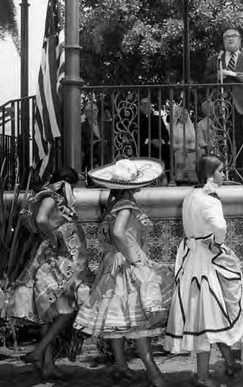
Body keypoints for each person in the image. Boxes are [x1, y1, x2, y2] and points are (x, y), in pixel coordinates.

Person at [73, 158, 171, 387]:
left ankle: (121, 367)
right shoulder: (125, 206)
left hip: (112, 265)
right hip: (126, 266)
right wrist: (133, 257)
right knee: (138, 322)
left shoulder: (113, 206)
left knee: (117, 320)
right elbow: (118, 233)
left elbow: (114, 234)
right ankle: (154, 375)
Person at [164, 154, 243, 387]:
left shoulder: (190, 196)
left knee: (213, 314)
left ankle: (229, 362)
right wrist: (217, 243)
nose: (224, 175)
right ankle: (202, 376)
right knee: (207, 317)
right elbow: (220, 227)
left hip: (191, 260)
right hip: (206, 262)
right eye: (221, 171)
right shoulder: (210, 201)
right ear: (211, 174)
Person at [6, 167, 93, 381]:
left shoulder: (53, 197)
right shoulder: (52, 196)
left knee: (50, 312)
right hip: (56, 262)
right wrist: (54, 239)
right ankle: (39, 352)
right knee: (68, 307)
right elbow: (42, 220)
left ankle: (47, 365)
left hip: (55, 260)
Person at [205, 28, 243, 179]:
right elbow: (205, 80)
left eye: (233, 36)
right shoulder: (216, 59)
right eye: (226, 37)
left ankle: (242, 174)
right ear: (223, 41)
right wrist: (216, 76)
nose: (230, 39)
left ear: (240, 39)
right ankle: (222, 174)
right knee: (223, 140)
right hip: (222, 105)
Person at [138, 97, 170, 171]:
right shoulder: (136, 120)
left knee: (168, 150)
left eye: (148, 104)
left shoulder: (157, 118)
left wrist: (161, 141)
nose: (147, 106)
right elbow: (137, 136)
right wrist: (150, 141)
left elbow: (165, 134)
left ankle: (168, 177)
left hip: (159, 145)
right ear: (139, 106)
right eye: (144, 104)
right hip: (144, 146)